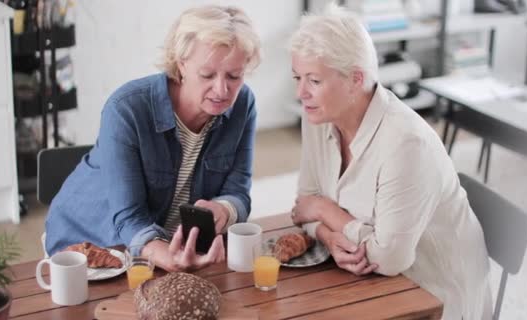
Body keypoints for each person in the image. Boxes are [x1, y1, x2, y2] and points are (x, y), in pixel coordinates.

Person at [288, 4, 491, 319]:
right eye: (297, 77)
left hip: (433, 292)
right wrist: (328, 235)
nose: (301, 92)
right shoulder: (318, 116)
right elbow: (304, 202)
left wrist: (326, 211)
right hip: (368, 277)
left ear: (356, 79)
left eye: (314, 80)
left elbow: (388, 257)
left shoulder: (407, 144)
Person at [44, 4, 261, 272]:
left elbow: (239, 191)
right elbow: (128, 218)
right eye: (207, 74)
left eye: (234, 75)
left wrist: (225, 209)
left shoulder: (244, 104)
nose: (221, 89)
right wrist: (171, 258)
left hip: (169, 246)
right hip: (95, 243)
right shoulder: (127, 109)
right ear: (181, 63)